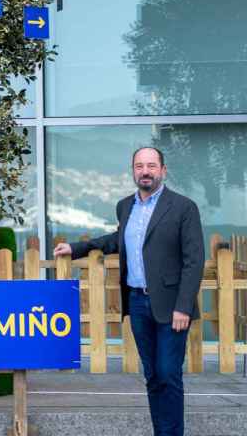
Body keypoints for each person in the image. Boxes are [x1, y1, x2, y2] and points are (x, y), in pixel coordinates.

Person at [53, 147, 203, 436]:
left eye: (151, 166)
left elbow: (193, 260)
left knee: (168, 374)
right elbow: (118, 239)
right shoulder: (125, 206)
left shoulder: (184, 207)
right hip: (137, 302)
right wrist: (77, 248)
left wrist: (184, 306)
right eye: (139, 166)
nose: (145, 171)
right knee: (152, 375)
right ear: (133, 170)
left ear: (163, 170)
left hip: (171, 306)